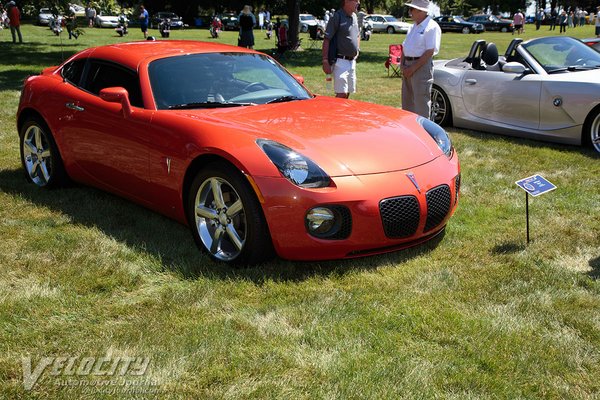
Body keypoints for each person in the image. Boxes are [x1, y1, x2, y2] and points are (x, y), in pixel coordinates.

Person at [400, 0, 440, 119]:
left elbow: (429, 52)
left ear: (421, 11)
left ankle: (423, 133)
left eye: (412, 9)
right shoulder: (413, 27)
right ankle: (410, 132)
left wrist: (412, 68)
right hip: (408, 66)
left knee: (421, 103)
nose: (410, 12)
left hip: (420, 67)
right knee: (407, 102)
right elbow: (405, 46)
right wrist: (402, 65)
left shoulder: (432, 27)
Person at [321, 0, 360, 99]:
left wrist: (357, 50)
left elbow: (358, 35)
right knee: (341, 93)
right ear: (346, 1)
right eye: (356, 0)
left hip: (352, 62)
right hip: (340, 61)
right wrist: (325, 60)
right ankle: (334, 113)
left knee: (348, 92)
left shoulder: (354, 17)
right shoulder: (337, 17)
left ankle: (342, 113)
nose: (358, 3)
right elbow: (327, 39)